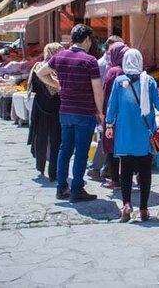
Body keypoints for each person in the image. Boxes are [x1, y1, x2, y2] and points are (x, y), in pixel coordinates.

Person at [36, 24, 104, 202]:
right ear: (87, 39)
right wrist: (100, 112)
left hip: (65, 111)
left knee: (65, 149)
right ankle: (77, 189)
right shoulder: (90, 61)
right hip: (84, 112)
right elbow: (97, 91)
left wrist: (57, 85)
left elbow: (40, 73)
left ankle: (61, 188)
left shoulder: (59, 57)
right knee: (81, 152)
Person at [106, 49, 159, 222]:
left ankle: (126, 204)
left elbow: (112, 107)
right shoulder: (149, 81)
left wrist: (109, 125)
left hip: (125, 135)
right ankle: (144, 209)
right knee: (145, 172)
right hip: (144, 136)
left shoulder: (119, 82)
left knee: (125, 171)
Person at [87, 35, 124, 182]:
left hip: (112, 107)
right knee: (104, 139)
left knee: (109, 140)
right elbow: (97, 88)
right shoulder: (101, 64)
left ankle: (107, 170)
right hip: (103, 107)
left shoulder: (117, 65)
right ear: (108, 49)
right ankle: (95, 169)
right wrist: (99, 110)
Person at [27, 43, 64, 181]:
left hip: (41, 106)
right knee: (55, 139)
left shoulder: (38, 67)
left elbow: (33, 86)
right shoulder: (57, 70)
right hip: (55, 107)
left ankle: (41, 166)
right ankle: (53, 172)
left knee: (41, 137)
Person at [99, 41, 129, 189]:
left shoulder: (113, 71)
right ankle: (126, 179)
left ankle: (115, 180)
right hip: (128, 116)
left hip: (113, 114)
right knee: (126, 148)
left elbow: (106, 94)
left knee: (111, 147)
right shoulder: (133, 71)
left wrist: (102, 112)